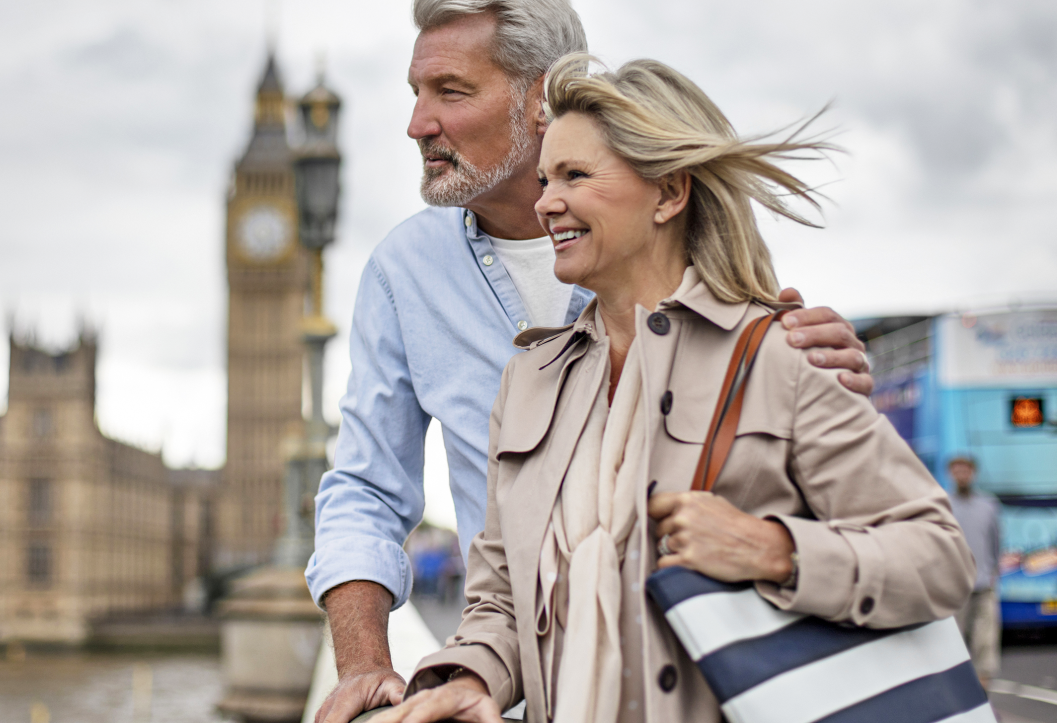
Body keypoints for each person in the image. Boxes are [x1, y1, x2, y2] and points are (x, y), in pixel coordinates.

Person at [307, 0, 875, 723]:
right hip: (521, 692)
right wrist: (365, 664)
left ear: (539, 99)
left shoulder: (684, 245)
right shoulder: (404, 273)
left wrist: (827, 386)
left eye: (450, 91)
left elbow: (853, 513)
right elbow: (368, 492)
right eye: (415, 93)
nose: (417, 123)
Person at [373, 55, 974, 723]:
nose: (546, 202)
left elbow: (939, 556)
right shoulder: (528, 382)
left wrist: (775, 550)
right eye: (545, 178)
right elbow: (501, 600)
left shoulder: (781, 356)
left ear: (668, 194)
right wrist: (471, 676)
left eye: (575, 175)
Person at [948, 456, 1001, 687]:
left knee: (985, 639)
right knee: (955, 638)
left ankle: (983, 687)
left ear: (973, 473)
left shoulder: (988, 504)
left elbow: (995, 541)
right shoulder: (943, 504)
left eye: (966, 470)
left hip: (983, 583)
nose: (962, 475)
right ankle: (957, 685)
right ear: (951, 474)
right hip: (954, 585)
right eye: (957, 470)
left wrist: (993, 570)